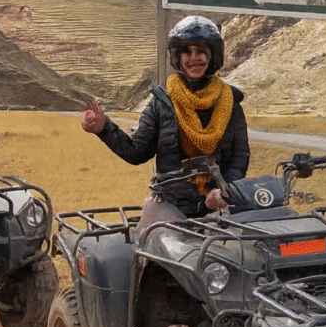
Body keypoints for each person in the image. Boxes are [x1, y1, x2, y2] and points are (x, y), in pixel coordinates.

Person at [81, 15, 250, 218]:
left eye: (201, 52)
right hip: (170, 205)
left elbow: (239, 157)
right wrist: (104, 129)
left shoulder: (231, 103)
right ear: (177, 57)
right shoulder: (162, 103)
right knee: (153, 246)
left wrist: (225, 192)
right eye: (186, 52)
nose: (193, 58)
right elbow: (137, 152)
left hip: (217, 204)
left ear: (213, 56)